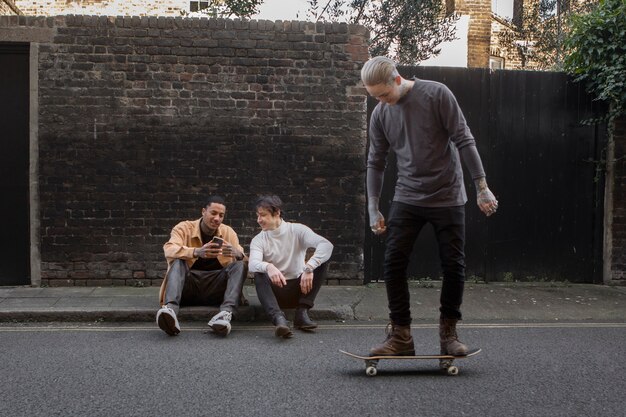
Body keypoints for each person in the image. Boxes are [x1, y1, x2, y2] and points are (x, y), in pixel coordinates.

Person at [362, 56, 499, 357]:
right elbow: (375, 161)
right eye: (375, 98)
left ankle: (448, 335)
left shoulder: (437, 94)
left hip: (447, 194)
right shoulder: (380, 113)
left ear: (397, 79)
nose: (381, 102)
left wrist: (482, 187)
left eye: (383, 95)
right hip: (408, 196)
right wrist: (373, 207)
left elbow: (464, 139)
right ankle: (400, 336)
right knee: (393, 263)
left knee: (453, 265)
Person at [156, 196, 248, 337]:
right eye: (213, 213)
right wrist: (196, 251)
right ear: (203, 211)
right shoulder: (184, 228)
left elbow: (249, 264)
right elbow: (169, 249)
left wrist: (239, 254)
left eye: (221, 215)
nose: (217, 218)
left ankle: (225, 314)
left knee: (240, 265)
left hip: (216, 289)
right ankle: (171, 310)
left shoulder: (228, 232)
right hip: (188, 287)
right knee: (178, 260)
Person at [249, 195, 333, 338]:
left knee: (322, 261)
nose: (259, 220)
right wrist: (269, 267)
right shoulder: (258, 240)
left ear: (277, 213)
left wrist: (309, 268)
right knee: (259, 272)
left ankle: (302, 313)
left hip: (300, 289)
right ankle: (279, 319)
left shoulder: (298, 230)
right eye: (257, 215)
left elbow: (326, 245)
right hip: (275, 293)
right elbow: (252, 264)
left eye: (262, 215)